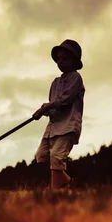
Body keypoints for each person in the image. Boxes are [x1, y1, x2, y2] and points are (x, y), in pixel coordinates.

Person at [32, 39, 85, 189]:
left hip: (68, 126)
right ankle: (67, 182)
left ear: (74, 61)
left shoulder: (76, 78)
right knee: (42, 157)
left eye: (65, 59)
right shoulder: (55, 82)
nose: (60, 62)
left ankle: (54, 191)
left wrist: (44, 108)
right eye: (58, 59)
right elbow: (54, 105)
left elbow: (65, 100)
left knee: (56, 157)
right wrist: (45, 111)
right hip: (53, 128)